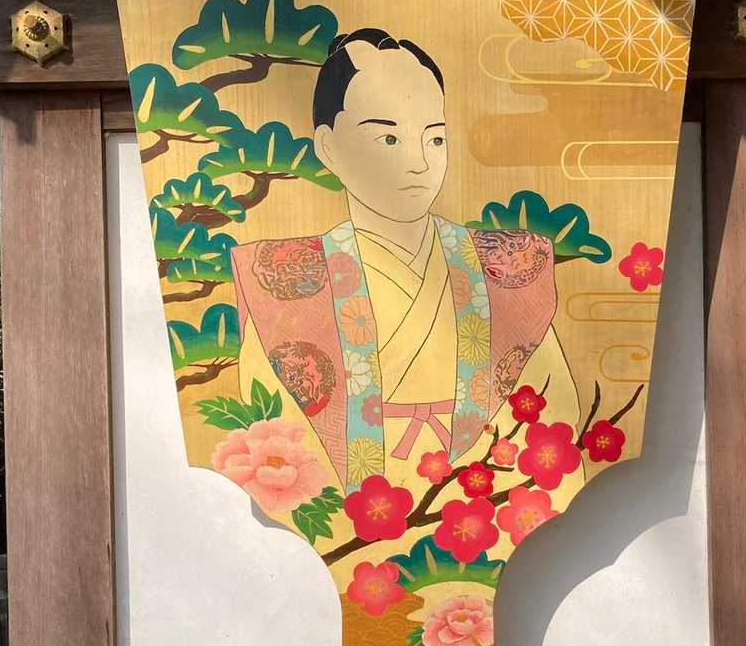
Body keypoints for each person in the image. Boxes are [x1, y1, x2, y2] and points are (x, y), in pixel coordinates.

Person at [230, 28, 580, 496]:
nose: (419, 162)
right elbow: (268, 427)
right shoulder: (283, 278)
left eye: (434, 139)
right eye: (389, 139)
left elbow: (552, 408)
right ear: (328, 147)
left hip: (484, 491)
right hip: (355, 500)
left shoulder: (506, 267)